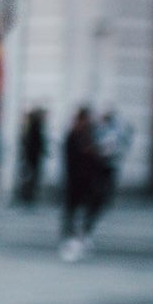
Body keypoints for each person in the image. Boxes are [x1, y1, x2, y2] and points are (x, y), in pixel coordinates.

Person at [60, 108, 103, 261]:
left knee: (89, 206)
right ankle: (70, 236)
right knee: (72, 208)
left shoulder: (89, 135)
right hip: (75, 179)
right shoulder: (74, 135)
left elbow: (95, 157)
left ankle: (80, 233)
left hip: (87, 179)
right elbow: (71, 156)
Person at [16, 108, 46, 208]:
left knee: (29, 178)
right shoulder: (34, 128)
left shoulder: (31, 128)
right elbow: (33, 144)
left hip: (30, 158)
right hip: (32, 159)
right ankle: (27, 197)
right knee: (30, 179)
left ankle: (27, 196)